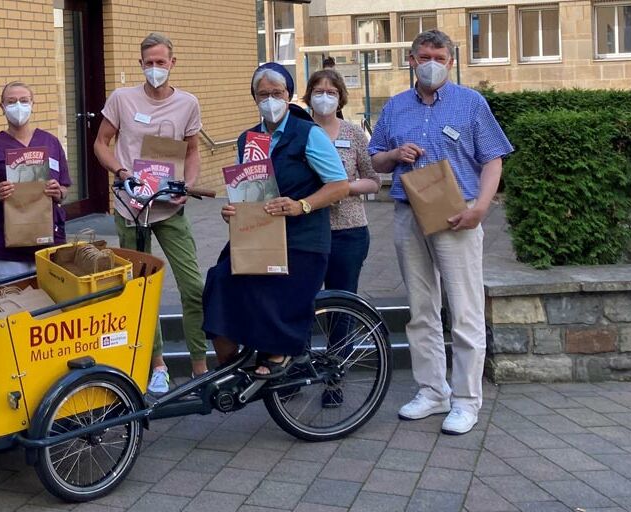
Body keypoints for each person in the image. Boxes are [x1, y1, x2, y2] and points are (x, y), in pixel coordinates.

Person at [368, 30, 513, 435]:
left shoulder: (471, 103)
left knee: (464, 311)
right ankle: (433, 391)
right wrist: (395, 155)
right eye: (424, 55)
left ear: (450, 62)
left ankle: (467, 400)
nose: (431, 62)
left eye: (439, 56)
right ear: (411, 60)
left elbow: (494, 158)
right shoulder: (396, 108)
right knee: (421, 309)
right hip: (408, 213)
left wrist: (481, 208)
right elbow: (375, 160)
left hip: (458, 215)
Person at [204, 63, 349, 379]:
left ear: (289, 95)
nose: (270, 100)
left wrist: (302, 205)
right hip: (258, 237)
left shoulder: (308, 134)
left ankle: (279, 351)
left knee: (271, 288)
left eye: (277, 93)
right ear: (254, 98)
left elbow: (340, 185)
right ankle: (230, 362)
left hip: (301, 239)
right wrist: (232, 211)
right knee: (220, 281)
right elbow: (247, 191)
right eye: (263, 94)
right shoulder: (248, 139)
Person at [93, 33, 209, 390]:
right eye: (149, 63)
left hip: (169, 209)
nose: (155, 69)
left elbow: (191, 151)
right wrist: (123, 173)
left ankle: (200, 366)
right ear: (140, 64)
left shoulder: (188, 103)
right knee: (141, 291)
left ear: (173, 63)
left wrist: (187, 185)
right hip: (132, 209)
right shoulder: (122, 99)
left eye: (161, 62)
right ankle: (156, 364)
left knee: (193, 287)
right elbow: (101, 143)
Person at [302, 69, 381, 407]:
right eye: (318, 90)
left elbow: (373, 179)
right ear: (308, 96)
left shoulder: (352, 133)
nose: (324, 96)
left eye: (330, 91)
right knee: (301, 303)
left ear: (340, 97)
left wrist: (343, 188)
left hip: (348, 231)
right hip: (306, 232)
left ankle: (334, 376)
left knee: (341, 307)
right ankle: (295, 371)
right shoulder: (300, 132)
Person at [0, 82, 71, 281]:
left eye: (24, 100)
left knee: (51, 306)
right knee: (10, 306)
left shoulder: (50, 142)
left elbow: (65, 187)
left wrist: (58, 191)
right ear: (2, 107)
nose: (18, 106)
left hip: (48, 245)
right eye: (11, 101)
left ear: (33, 104)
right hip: (5, 250)